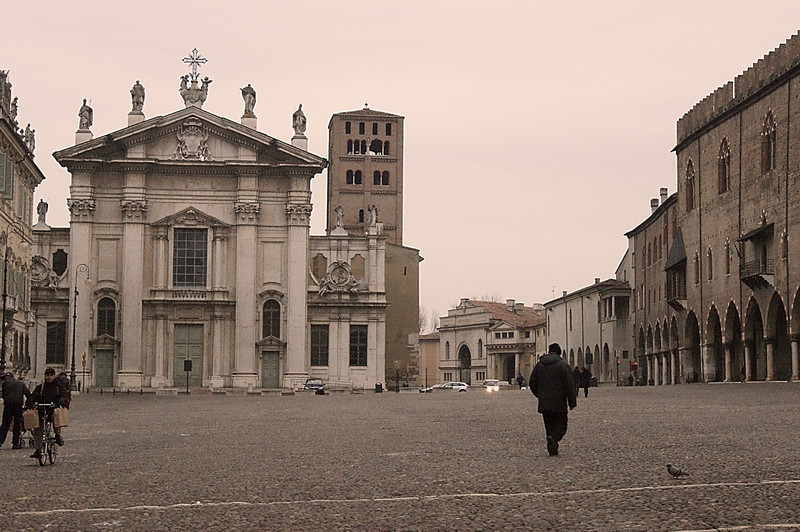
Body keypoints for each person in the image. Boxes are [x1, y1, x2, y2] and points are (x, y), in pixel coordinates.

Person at [530, 343, 577, 456]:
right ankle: (554, 438)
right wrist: (572, 402)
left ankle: (552, 448)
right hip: (559, 402)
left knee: (549, 425)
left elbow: (532, 382)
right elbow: (569, 385)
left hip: (544, 402)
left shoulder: (539, 365)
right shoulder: (563, 366)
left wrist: (540, 394)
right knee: (561, 424)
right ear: (559, 353)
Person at [28, 368, 65, 458]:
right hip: (42, 410)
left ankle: (57, 435)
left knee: (56, 418)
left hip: (52, 410)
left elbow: (62, 396)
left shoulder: (57, 387)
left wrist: (59, 402)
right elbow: (33, 396)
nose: (49, 377)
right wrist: (29, 404)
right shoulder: (41, 387)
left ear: (53, 376)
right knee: (37, 427)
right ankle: (37, 449)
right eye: (47, 375)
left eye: (50, 375)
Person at [0, 372, 32, 449]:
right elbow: (28, 394)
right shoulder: (20, 384)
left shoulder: (5, 384)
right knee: (17, 424)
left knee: (5, 424)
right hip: (18, 405)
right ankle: (15, 443)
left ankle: (0, 441)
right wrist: (28, 404)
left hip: (8, 405)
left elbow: (4, 395)